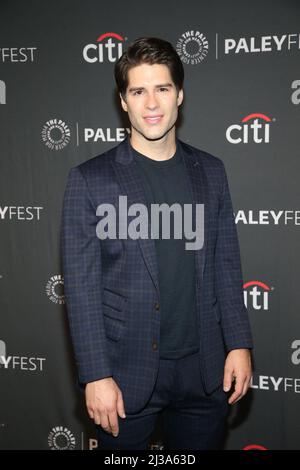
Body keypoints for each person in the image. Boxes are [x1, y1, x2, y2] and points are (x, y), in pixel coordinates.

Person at [61, 37, 253, 450]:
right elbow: (80, 289)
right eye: (138, 91)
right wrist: (95, 375)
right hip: (124, 375)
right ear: (123, 101)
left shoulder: (211, 171)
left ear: (179, 95)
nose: (151, 103)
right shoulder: (91, 180)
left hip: (205, 372)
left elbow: (226, 263)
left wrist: (238, 343)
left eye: (162, 88)